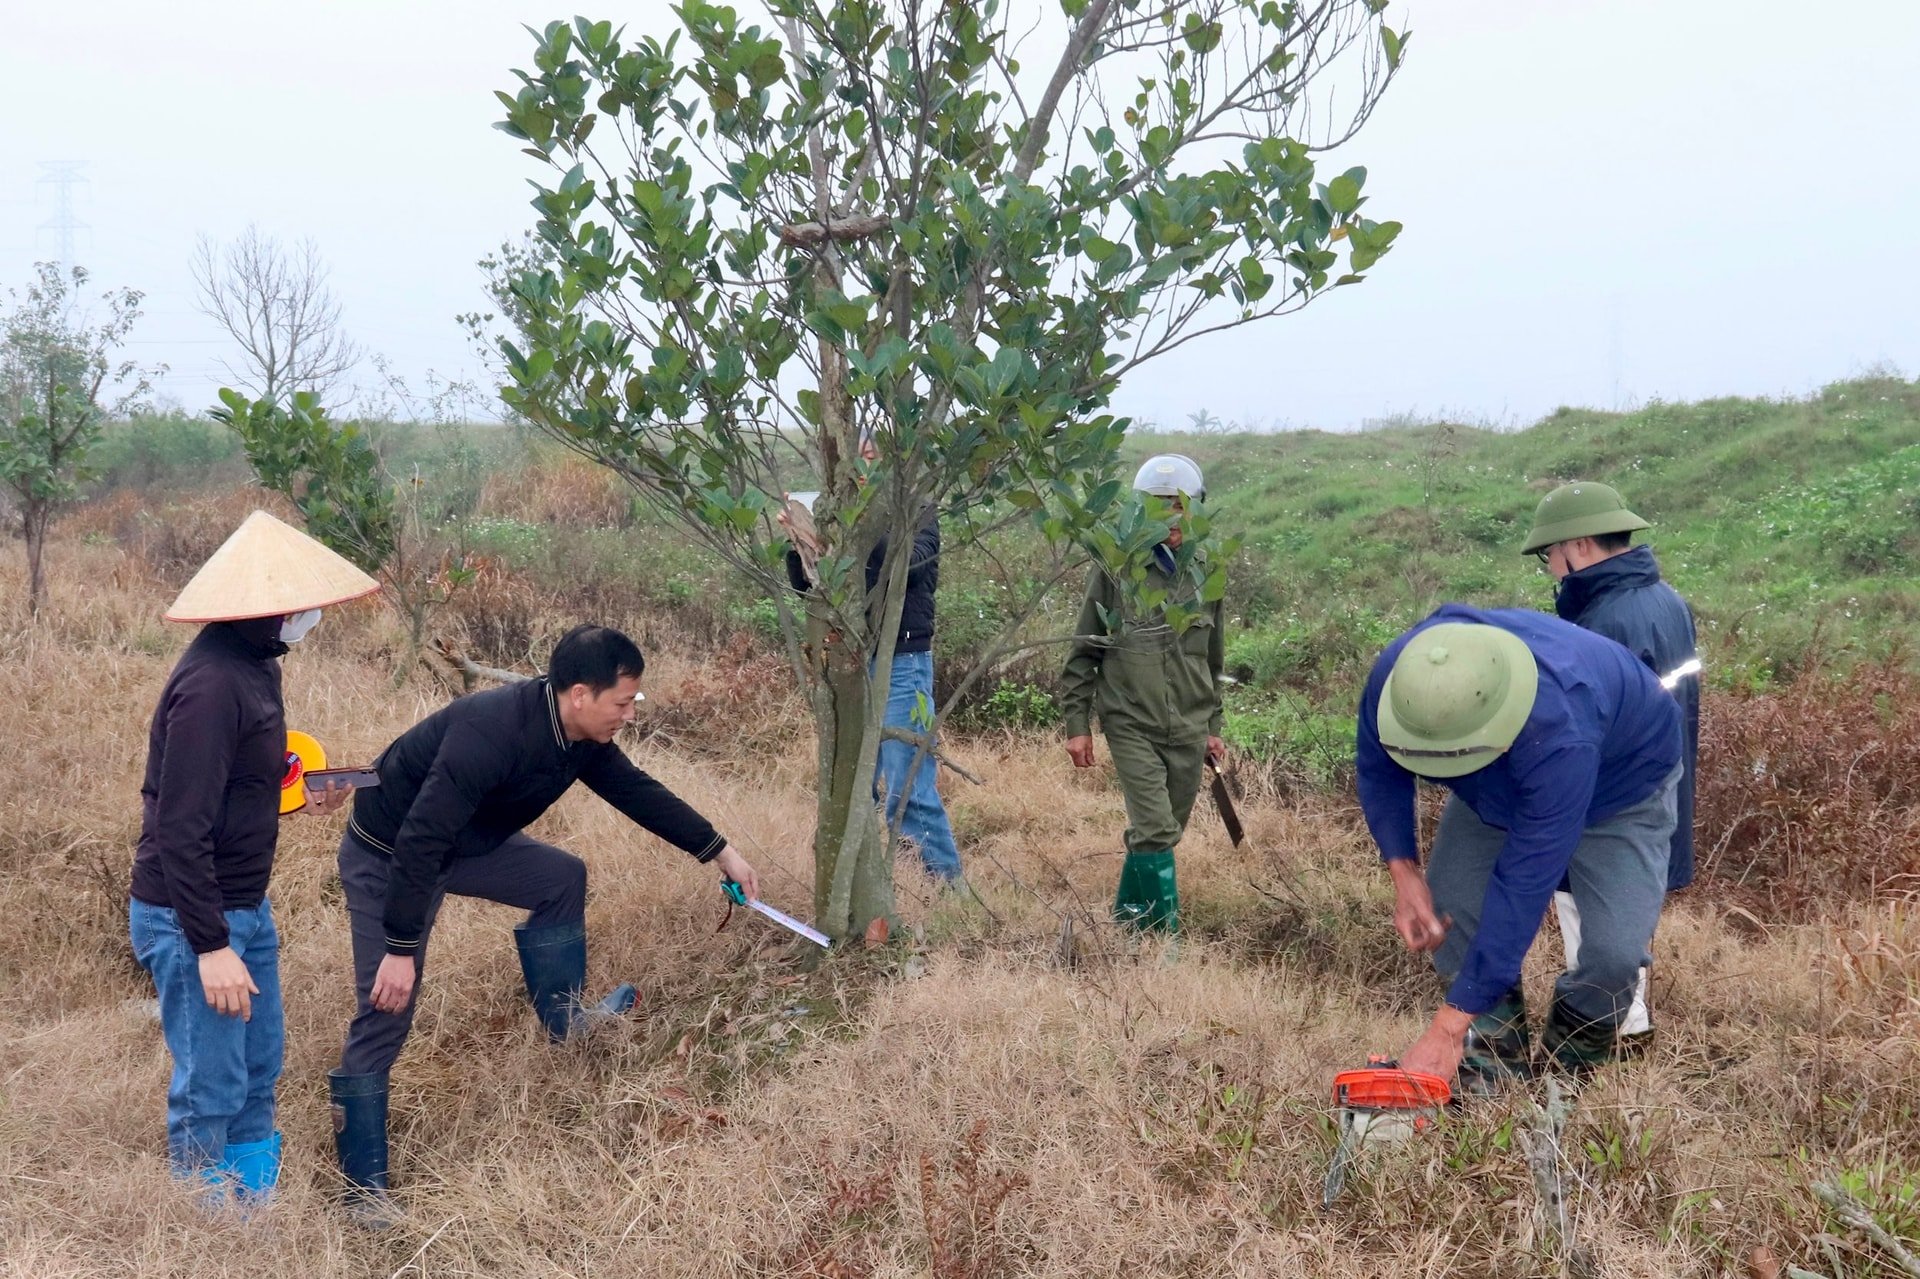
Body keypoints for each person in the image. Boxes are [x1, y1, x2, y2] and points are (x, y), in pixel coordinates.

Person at [328, 624, 760, 1216]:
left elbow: (635, 790)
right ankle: (361, 1190)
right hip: (392, 858)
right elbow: (421, 841)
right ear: (580, 694)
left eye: (635, 700)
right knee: (386, 1005)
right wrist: (399, 948)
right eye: (623, 701)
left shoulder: (579, 735)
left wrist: (718, 849)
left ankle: (565, 1020)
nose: (630, 713)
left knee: (560, 877)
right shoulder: (489, 732)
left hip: (467, 846)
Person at [131, 509, 378, 1198]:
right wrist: (210, 945)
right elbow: (180, 826)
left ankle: (249, 1205)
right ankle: (203, 1220)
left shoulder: (255, 662)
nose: (313, 614)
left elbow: (235, 786)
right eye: (304, 603)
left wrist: (300, 793)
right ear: (268, 606)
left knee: (259, 1063)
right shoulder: (212, 686)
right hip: (191, 915)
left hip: (241, 903)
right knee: (212, 1079)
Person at [1355, 605, 1682, 1090]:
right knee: (1453, 908)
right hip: (1501, 774)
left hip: (1622, 784)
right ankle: (1492, 1069)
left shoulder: (1560, 731)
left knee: (1613, 957)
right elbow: (1378, 768)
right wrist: (1404, 874)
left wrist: (1445, 1028)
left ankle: (1565, 1077)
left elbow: (1521, 888)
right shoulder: (1404, 674)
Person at [1522, 480, 1699, 1048]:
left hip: (1608, 805)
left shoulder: (1603, 625)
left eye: (1550, 554)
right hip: (1661, 789)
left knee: (1593, 925)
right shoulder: (1666, 602)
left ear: (1578, 546)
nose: (1551, 568)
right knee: (1626, 915)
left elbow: (1586, 735)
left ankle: (1602, 1043)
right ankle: (1631, 1024)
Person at [780, 437, 963, 883]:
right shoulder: (838, 512)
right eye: (859, 460)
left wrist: (859, 525)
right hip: (850, 658)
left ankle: (945, 887)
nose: (866, 469)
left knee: (908, 788)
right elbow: (809, 587)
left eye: (874, 459)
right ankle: (885, 885)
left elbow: (912, 566)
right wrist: (801, 543)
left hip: (902, 660)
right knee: (856, 785)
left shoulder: (916, 509)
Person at [1060, 454, 1225, 933]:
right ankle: (1160, 941)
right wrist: (1077, 725)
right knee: (1155, 830)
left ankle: (1129, 922)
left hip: (1190, 725)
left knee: (1164, 833)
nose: (1170, 518)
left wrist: (1214, 727)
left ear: (1194, 509)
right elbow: (1083, 649)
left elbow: (1214, 658)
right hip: (1130, 721)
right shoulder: (1117, 569)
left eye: (1178, 506)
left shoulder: (1206, 571)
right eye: (1158, 507)